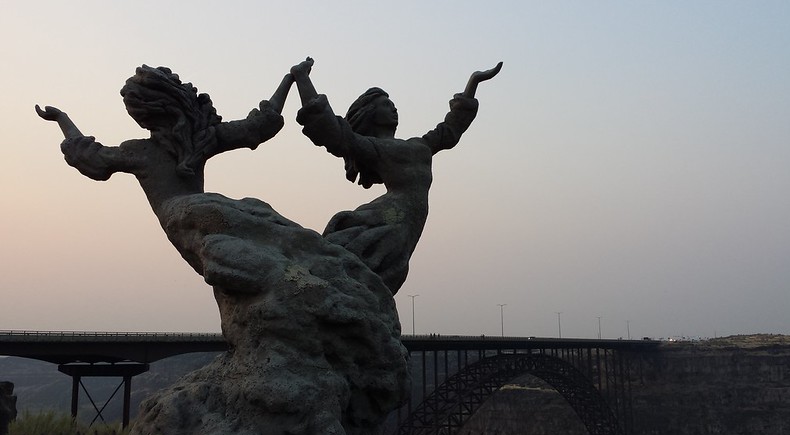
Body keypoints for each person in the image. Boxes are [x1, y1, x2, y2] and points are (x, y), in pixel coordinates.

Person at [291, 58, 501, 294]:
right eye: (385, 104)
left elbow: (451, 129)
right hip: (387, 221)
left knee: (377, 285)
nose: (394, 108)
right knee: (362, 276)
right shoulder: (374, 147)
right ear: (371, 113)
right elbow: (334, 132)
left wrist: (473, 82)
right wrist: (302, 78)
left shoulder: (420, 144)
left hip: (407, 225)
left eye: (393, 104)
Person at [36, 65, 294, 220]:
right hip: (191, 221)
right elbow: (257, 127)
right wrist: (290, 79)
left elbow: (89, 157)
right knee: (252, 213)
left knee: (253, 213)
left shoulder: (145, 150)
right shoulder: (202, 138)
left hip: (192, 218)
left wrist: (62, 119)